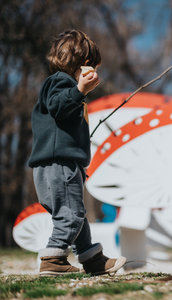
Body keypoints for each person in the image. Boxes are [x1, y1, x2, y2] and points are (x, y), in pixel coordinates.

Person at [28, 29, 126, 276]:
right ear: (83, 63)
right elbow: (58, 108)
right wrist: (80, 90)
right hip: (59, 164)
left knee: (76, 216)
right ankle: (53, 258)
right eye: (91, 64)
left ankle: (92, 258)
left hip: (58, 165)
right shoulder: (61, 82)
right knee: (71, 215)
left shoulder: (63, 86)